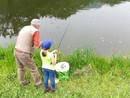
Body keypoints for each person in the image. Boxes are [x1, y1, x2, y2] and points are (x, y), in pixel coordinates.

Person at [14, 19, 43, 87]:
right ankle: (39, 84)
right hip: (24, 54)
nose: (39, 26)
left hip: (16, 51)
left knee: (20, 68)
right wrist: (41, 43)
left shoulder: (25, 27)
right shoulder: (35, 31)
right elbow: (37, 45)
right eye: (39, 25)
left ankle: (22, 82)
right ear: (37, 25)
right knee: (33, 69)